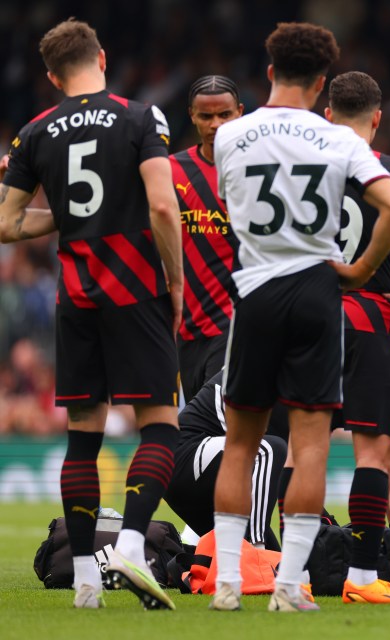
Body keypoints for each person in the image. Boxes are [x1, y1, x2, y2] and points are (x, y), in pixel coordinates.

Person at [209, 22, 390, 613]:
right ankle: (289, 586)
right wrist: (358, 269)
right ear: (323, 82)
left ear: (269, 72)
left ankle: (225, 582)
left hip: (256, 289)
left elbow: (232, 202)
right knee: (312, 444)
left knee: (241, 441)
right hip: (318, 292)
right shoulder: (339, 140)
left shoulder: (230, 135)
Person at [0, 19, 182, 611]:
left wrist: (63, 215)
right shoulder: (139, 117)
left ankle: (83, 580)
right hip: (134, 292)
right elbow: (160, 201)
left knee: (83, 438)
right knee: (158, 425)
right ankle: (129, 542)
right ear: (101, 58)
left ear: (52, 76)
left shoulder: (33, 134)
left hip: (74, 299)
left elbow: (6, 225)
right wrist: (175, 281)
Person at [314, 69, 390, 604]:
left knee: (302, 449)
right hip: (369, 318)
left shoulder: (300, 166)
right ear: (378, 118)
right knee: (375, 453)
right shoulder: (388, 169)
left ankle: (292, 570)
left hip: (306, 317)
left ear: (326, 115)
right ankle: (363, 578)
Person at [170, 75, 243, 403]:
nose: (216, 124)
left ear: (240, 112)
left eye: (224, 115)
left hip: (234, 326)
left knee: (213, 424)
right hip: (186, 328)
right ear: (192, 116)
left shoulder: (255, 172)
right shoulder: (171, 171)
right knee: (201, 435)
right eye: (206, 116)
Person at [165, 371, 286, 550]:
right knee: (269, 450)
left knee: (274, 559)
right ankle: (255, 552)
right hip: (185, 458)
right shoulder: (271, 373)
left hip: (206, 472)